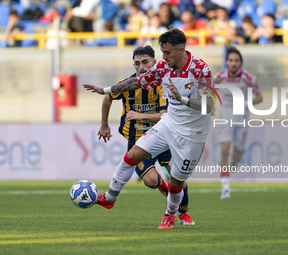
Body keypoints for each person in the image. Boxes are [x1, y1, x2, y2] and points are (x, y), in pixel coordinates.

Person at [84, 29, 213, 229]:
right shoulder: (163, 67)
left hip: (192, 133)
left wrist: (182, 99)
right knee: (132, 155)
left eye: (167, 53)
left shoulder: (200, 70)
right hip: (169, 123)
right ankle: (109, 197)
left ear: (181, 50)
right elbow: (136, 81)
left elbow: (209, 105)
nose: (164, 57)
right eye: (162, 52)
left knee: (176, 182)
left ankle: (170, 215)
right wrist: (106, 90)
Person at [98, 45, 194, 225]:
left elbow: (166, 116)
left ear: (154, 63)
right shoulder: (127, 84)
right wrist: (104, 124)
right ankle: (164, 189)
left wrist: (141, 115)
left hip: (165, 138)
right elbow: (108, 96)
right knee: (150, 181)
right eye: (137, 63)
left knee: (177, 176)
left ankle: (183, 213)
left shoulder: (162, 85)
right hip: (138, 141)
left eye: (145, 62)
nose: (141, 67)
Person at [214, 47, 263, 199]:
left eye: (236, 60)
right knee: (225, 149)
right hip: (225, 116)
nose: (233, 63)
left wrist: (247, 104)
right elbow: (209, 91)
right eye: (231, 60)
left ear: (240, 62)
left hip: (241, 117)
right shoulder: (220, 77)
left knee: (237, 153)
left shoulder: (248, 78)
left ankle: (234, 164)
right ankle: (225, 187)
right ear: (226, 62)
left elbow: (259, 97)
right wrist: (210, 106)